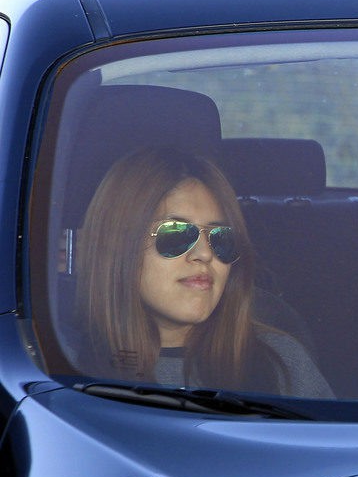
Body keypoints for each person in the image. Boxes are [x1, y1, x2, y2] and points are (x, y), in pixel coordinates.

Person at [72, 147, 334, 397]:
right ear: (117, 244)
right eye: (175, 234)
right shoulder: (62, 365)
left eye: (221, 238)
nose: (205, 254)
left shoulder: (280, 365)